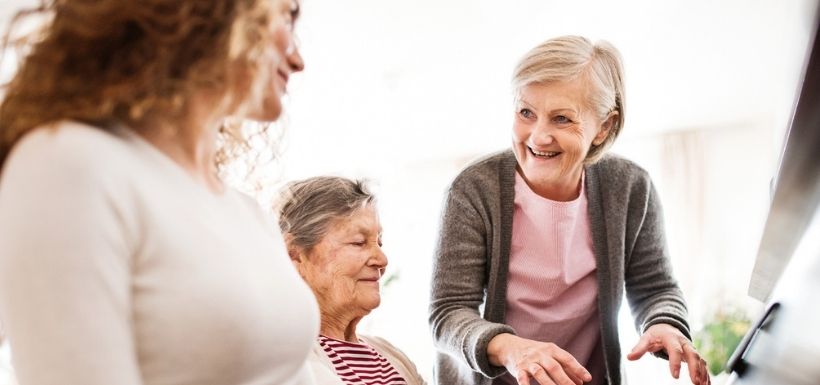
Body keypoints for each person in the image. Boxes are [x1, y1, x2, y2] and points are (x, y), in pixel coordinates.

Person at [0, 1, 318, 384]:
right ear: (209, 12)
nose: (298, 60)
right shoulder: (68, 165)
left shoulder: (248, 215)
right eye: (287, 17)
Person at [429, 36, 711, 385]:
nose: (538, 136)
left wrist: (664, 323)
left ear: (604, 127)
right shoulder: (472, 190)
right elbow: (448, 313)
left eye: (562, 119)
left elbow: (656, 288)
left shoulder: (630, 186)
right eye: (526, 112)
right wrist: (513, 349)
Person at [278, 176, 427, 385]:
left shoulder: (393, 357)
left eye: (379, 242)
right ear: (295, 254)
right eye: (359, 242)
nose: (382, 260)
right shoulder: (284, 358)